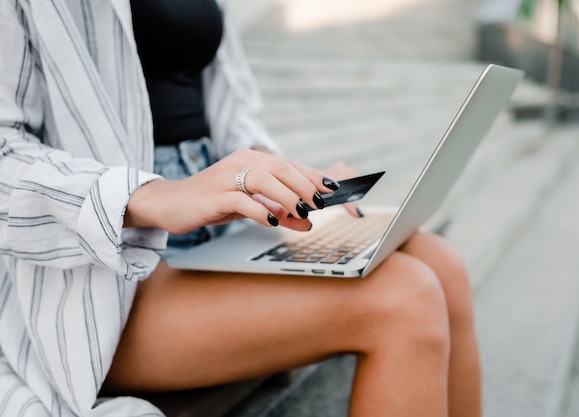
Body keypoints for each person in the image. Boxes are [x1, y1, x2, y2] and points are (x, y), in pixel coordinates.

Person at [0, 1, 481, 416]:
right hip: (102, 274)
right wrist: (150, 196)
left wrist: (293, 182)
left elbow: (229, 113)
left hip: (219, 221)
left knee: (441, 264)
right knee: (404, 298)